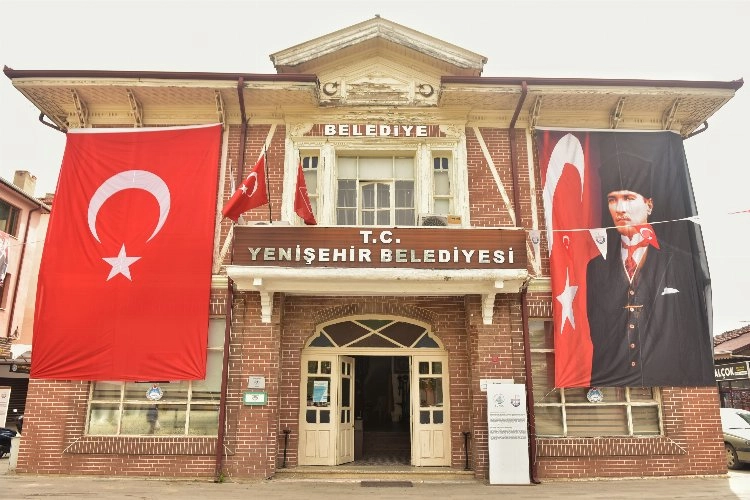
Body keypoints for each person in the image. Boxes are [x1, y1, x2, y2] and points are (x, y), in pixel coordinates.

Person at [586, 151, 714, 387]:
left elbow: (691, 331)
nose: (620, 208)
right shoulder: (595, 268)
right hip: (612, 379)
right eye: (612, 199)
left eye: (629, 198)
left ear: (649, 205)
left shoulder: (682, 262)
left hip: (668, 379)